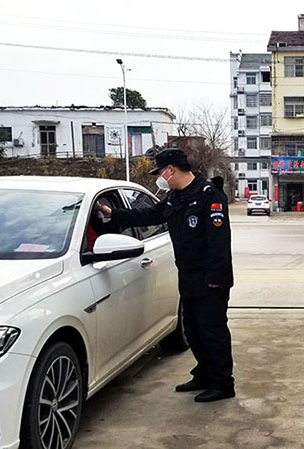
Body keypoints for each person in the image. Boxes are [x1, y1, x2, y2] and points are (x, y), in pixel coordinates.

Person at [96, 148, 235, 403]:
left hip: (210, 280)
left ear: (171, 170)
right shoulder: (175, 197)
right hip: (189, 277)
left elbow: (219, 243)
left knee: (212, 332)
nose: (159, 177)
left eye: (160, 172)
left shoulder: (209, 195)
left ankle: (223, 384)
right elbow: (149, 214)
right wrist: (112, 213)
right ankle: (204, 374)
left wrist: (215, 281)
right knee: (193, 331)